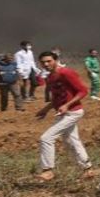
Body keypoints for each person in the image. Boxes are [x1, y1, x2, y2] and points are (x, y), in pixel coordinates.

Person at [34, 51, 94, 181]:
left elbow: (83, 91)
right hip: (63, 113)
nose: (46, 64)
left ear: (55, 60)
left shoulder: (66, 73)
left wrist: (67, 105)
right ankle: (87, 169)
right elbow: (57, 97)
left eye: (49, 61)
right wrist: (46, 109)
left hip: (73, 112)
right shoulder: (50, 77)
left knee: (46, 138)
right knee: (71, 142)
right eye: (43, 62)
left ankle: (47, 170)